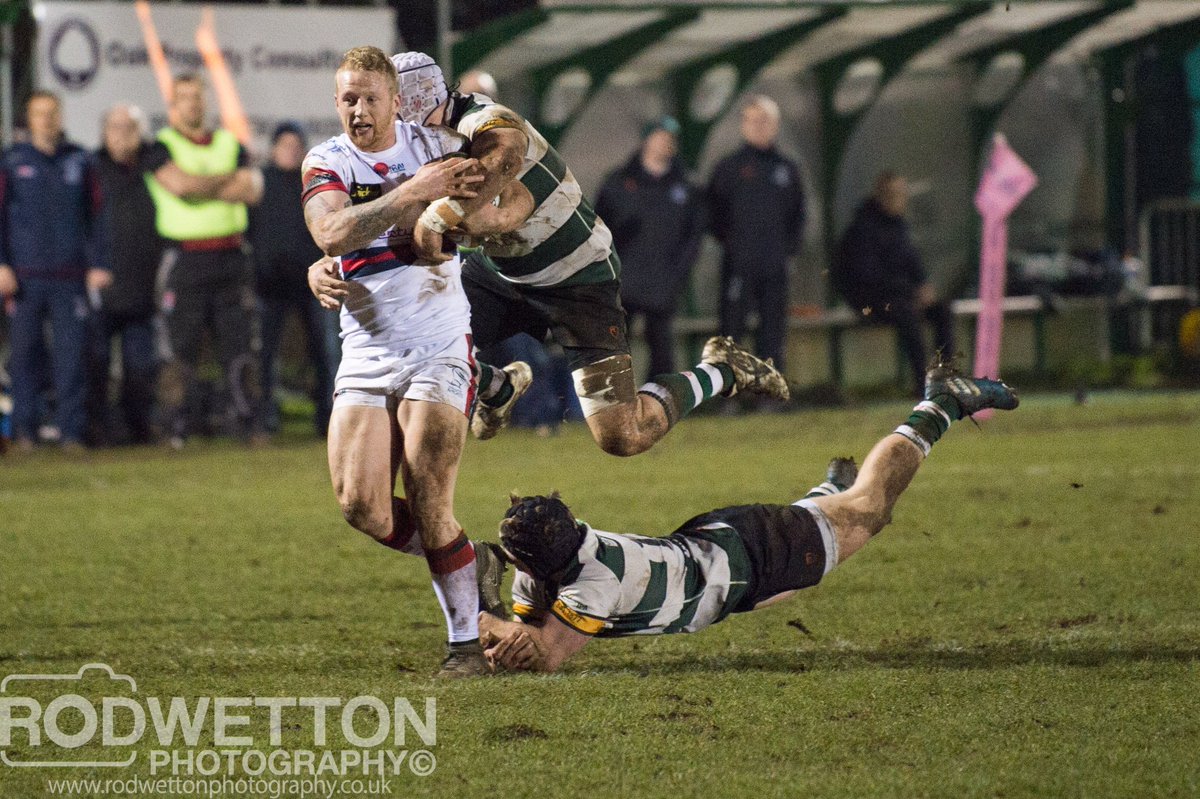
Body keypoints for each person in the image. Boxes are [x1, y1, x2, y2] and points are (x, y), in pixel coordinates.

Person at [474, 362, 1019, 672]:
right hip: (723, 559)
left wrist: (477, 613)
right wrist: (500, 621)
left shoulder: (594, 584)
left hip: (747, 553)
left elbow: (543, 654)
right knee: (791, 586)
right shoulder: (554, 557)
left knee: (871, 508)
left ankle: (940, 406)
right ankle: (822, 496)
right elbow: (527, 632)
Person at [387, 52, 790, 456]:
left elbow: (511, 193)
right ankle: (499, 386)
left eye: (379, 100)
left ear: (411, 98)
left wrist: (441, 217)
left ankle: (721, 369)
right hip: (505, 271)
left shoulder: (485, 119)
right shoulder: (414, 142)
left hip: (577, 279)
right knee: (413, 343)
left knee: (622, 435)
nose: (372, 114)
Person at [301, 45, 523, 676]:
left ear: (397, 101)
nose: (359, 110)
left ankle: (464, 644)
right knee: (361, 506)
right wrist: (406, 201)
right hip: (366, 348)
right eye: (349, 98)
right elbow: (331, 232)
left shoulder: (436, 149)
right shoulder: (328, 160)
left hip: (439, 343)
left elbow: (509, 195)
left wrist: (467, 223)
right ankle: (467, 558)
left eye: (371, 98)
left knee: (428, 495)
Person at [145, 73, 264, 448]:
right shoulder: (159, 146)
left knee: (240, 347)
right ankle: (175, 427)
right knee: (179, 351)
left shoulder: (230, 142)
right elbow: (179, 186)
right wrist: (223, 181)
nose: (192, 105)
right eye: (184, 98)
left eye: (197, 97)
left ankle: (247, 423)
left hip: (231, 256)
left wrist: (200, 185)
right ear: (173, 106)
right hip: (185, 260)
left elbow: (251, 190)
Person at [0, 91, 109, 451]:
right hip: (25, 277)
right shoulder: (12, 162)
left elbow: (97, 216)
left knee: (71, 356)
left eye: (51, 113)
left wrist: (98, 262)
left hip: (70, 276)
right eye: (38, 114)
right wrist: (2, 264)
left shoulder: (80, 160)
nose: (46, 120)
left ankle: (71, 431)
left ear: (60, 116)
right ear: (28, 119)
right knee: (25, 355)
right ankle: (25, 432)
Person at [595, 116, 705, 380]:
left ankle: (659, 400)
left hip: (664, 279)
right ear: (647, 140)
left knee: (661, 345)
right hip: (624, 278)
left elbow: (695, 234)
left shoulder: (686, 186)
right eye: (661, 137)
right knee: (618, 343)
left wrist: (679, 271)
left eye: (670, 139)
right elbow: (597, 226)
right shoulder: (619, 181)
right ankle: (617, 399)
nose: (666, 143)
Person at [707, 95, 805, 383]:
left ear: (775, 125)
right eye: (752, 120)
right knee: (731, 330)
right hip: (738, 263)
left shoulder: (786, 168)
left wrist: (787, 250)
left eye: (764, 121)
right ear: (743, 126)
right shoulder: (729, 168)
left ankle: (769, 392)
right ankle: (728, 392)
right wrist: (733, 243)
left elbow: (798, 214)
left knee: (773, 329)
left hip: (775, 264)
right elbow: (712, 212)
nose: (758, 127)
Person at [831, 172, 955, 396]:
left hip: (900, 296)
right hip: (870, 301)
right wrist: (910, 291)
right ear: (881, 196)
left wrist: (923, 285)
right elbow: (868, 276)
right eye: (895, 194)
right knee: (907, 315)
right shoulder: (862, 229)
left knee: (941, 310)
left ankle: (944, 377)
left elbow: (911, 261)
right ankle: (922, 384)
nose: (901, 199)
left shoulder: (899, 226)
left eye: (902, 194)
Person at [250, 122, 336, 436]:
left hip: (313, 284)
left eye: (295, 145)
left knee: (326, 354)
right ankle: (265, 420)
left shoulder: (314, 184)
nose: (290, 150)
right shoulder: (259, 183)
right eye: (284, 145)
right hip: (270, 286)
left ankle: (329, 420)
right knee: (265, 357)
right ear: (272, 149)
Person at [88, 103, 163, 446]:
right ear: (104, 133)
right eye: (115, 128)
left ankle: (138, 430)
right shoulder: (92, 170)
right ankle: (96, 430)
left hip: (142, 285)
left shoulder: (153, 168)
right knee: (96, 363)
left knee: (139, 366)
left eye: (129, 128)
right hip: (100, 283)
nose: (122, 136)